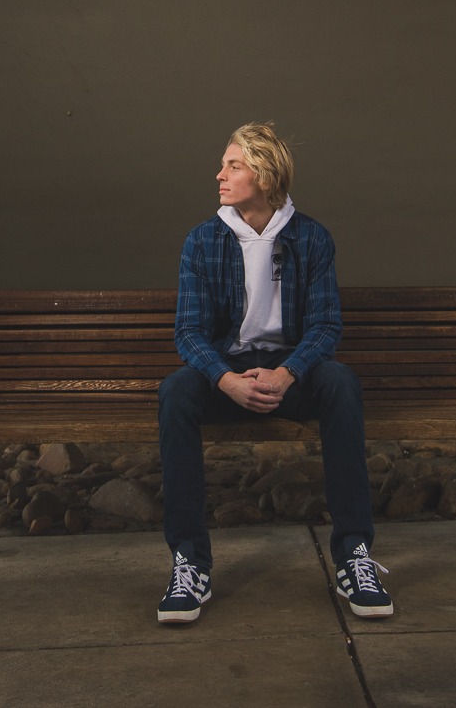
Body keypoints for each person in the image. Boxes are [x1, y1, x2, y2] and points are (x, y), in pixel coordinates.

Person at [156, 121, 391, 624]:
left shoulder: (311, 237)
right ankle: (189, 563)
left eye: (233, 165)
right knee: (176, 392)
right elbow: (189, 333)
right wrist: (225, 379)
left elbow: (326, 326)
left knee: (342, 383)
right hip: (228, 373)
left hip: (292, 374)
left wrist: (287, 373)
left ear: (263, 175)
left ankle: (354, 554)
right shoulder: (202, 241)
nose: (219, 174)